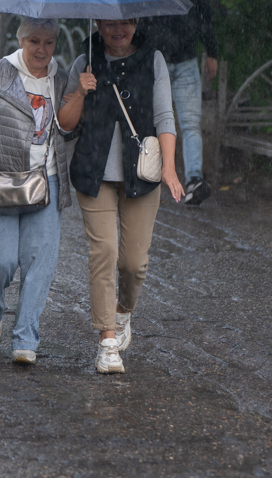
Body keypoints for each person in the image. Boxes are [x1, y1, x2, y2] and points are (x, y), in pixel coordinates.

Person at [58, 19, 185, 374]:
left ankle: (123, 311)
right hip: (93, 173)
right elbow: (65, 125)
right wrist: (80, 92)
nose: (118, 30)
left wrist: (170, 169)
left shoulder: (153, 58)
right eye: (110, 23)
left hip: (142, 174)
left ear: (137, 23)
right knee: (105, 252)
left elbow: (164, 117)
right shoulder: (85, 59)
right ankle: (107, 341)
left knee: (133, 264)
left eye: (126, 22)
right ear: (97, 23)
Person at [0, 17, 72, 365]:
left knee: (40, 263)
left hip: (47, 179)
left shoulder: (60, 76)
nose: (42, 49)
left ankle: (26, 339)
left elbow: (68, 128)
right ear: (21, 40)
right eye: (34, 41)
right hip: (2, 180)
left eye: (49, 42)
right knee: (1, 260)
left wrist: (81, 93)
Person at [141, 0, 219, 206]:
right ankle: (148, 174)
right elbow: (140, 24)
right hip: (156, 62)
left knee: (189, 123)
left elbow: (205, 18)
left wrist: (212, 52)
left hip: (186, 62)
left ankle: (194, 179)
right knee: (151, 122)